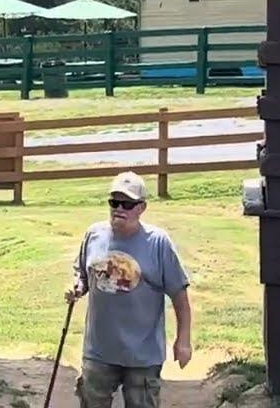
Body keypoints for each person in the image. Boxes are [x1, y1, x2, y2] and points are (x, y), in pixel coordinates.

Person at [65, 172, 193, 408]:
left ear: (142, 207)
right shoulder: (94, 235)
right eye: (114, 202)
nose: (119, 209)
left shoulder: (158, 243)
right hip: (99, 350)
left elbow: (179, 294)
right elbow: (81, 274)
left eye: (128, 203)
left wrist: (183, 340)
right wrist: (77, 286)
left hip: (142, 354)